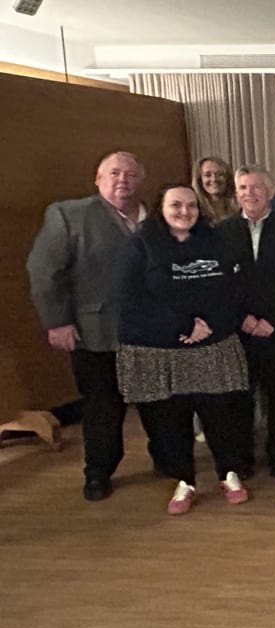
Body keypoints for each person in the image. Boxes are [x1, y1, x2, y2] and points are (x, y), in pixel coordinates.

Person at [112, 184, 250, 515]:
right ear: (161, 208)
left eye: (191, 205)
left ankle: (228, 474)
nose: (184, 212)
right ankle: (184, 481)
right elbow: (131, 298)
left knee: (221, 414)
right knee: (171, 420)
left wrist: (208, 325)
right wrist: (184, 326)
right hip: (160, 348)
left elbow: (232, 290)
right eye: (176, 205)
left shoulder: (216, 241)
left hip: (211, 344)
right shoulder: (140, 244)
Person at [27, 151, 149, 501]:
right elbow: (44, 272)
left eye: (130, 174)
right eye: (114, 173)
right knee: (102, 408)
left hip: (150, 333)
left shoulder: (154, 218)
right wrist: (57, 321)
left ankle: (169, 463)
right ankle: (98, 473)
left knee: (159, 403)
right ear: (98, 179)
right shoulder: (69, 215)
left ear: (141, 181)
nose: (122, 180)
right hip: (95, 333)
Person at [217, 165, 275, 478]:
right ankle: (241, 458)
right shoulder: (222, 232)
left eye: (256, 188)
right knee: (239, 398)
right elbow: (218, 284)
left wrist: (272, 321)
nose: (249, 194)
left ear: (269, 192)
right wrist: (242, 319)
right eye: (243, 188)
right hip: (238, 331)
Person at [192, 156, 238, 224]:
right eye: (207, 175)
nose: (214, 179)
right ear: (199, 180)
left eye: (220, 174)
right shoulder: (194, 209)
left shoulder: (239, 206)